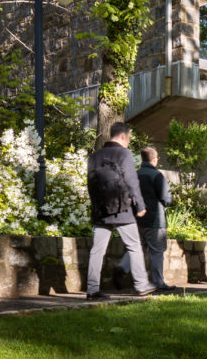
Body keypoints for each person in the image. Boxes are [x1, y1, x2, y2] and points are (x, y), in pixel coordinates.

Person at [86, 122, 153, 299]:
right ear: (123, 136)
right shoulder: (124, 153)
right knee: (134, 246)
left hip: (101, 210)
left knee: (97, 250)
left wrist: (96, 207)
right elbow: (131, 181)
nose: (129, 142)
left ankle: (92, 290)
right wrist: (140, 205)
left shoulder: (94, 156)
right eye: (129, 138)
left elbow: (90, 184)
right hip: (122, 209)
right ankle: (141, 285)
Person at [118, 146, 175, 292]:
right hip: (155, 221)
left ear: (142, 159)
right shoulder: (157, 176)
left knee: (137, 248)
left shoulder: (134, 175)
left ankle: (122, 267)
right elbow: (166, 198)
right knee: (156, 251)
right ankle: (158, 282)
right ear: (155, 159)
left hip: (137, 220)